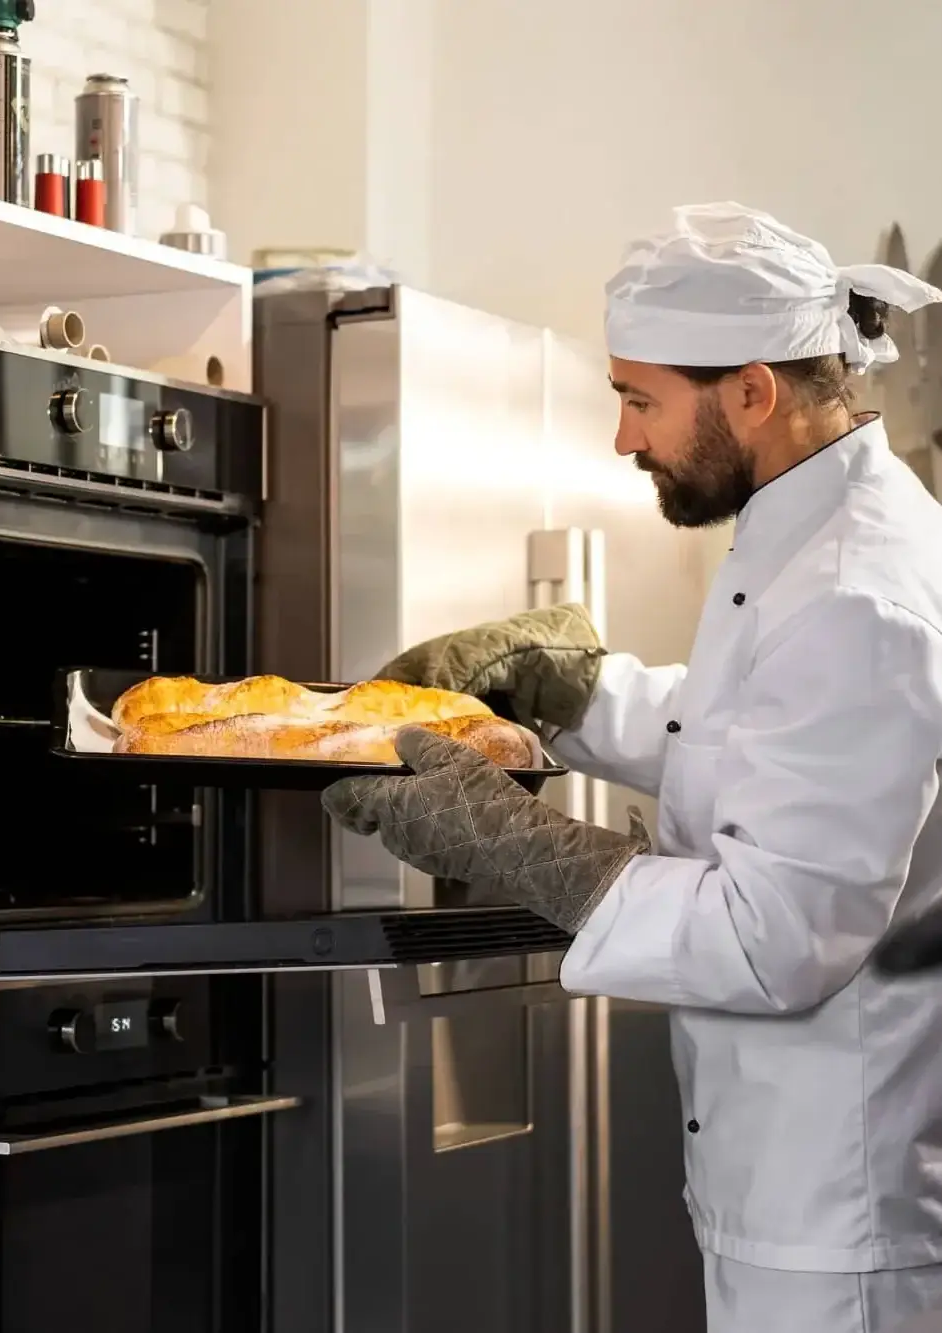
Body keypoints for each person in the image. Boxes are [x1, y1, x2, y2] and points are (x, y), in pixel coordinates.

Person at [323, 203, 942, 1333]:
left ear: (752, 391)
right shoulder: (809, 532)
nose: (623, 438)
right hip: (785, 1188)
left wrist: (521, 845)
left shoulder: (859, 590)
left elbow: (776, 935)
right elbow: (755, 742)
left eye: (639, 398)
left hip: (842, 1220)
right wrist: (577, 688)